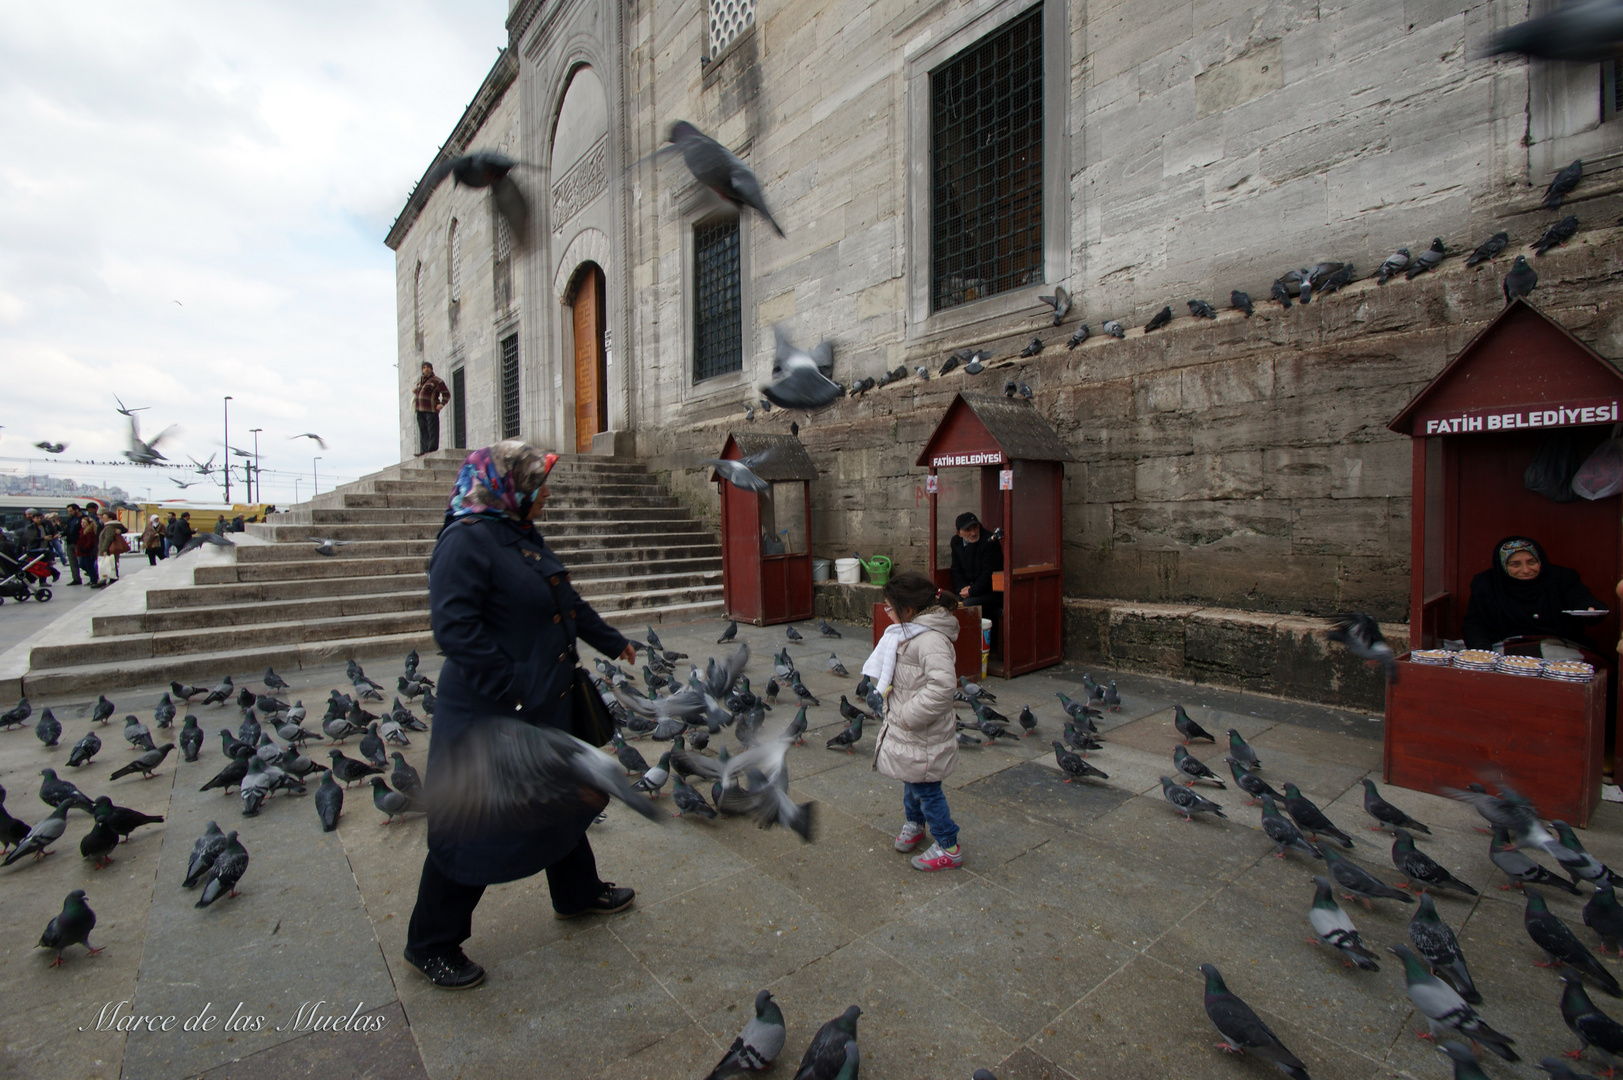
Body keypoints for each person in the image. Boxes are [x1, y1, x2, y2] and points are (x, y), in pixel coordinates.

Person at [403, 440, 639, 990]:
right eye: (539, 485)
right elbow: (455, 630)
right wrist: (510, 694)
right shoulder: (464, 542)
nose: (547, 494)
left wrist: (610, 640)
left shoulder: (517, 534)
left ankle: (576, 893)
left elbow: (565, 601)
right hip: (492, 714)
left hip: (539, 701)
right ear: (509, 485)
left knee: (560, 799)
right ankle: (430, 942)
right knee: (473, 825)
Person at [866, 570, 965, 872]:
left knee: (926, 788)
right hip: (908, 728)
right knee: (911, 780)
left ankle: (948, 844)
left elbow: (943, 687)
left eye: (889, 607)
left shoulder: (930, 640)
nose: (886, 612)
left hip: (921, 729)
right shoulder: (908, 633)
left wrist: (907, 715)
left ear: (908, 610)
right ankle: (915, 823)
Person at [1461, 536, 1607, 650]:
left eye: (1531, 562)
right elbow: (1475, 624)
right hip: (1506, 647)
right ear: (1502, 567)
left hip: (1561, 646)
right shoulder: (1487, 584)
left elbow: (1582, 601)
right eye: (1515, 564)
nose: (1525, 570)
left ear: (1541, 560)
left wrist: (1590, 610)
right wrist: (1482, 652)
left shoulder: (1562, 579)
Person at [949, 512, 1003, 612]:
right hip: (967, 589)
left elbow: (988, 573)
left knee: (968, 604)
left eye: (975, 528)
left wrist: (972, 591)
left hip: (988, 591)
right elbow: (956, 569)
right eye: (968, 530)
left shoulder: (989, 541)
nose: (973, 533)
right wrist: (963, 588)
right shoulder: (956, 542)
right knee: (950, 602)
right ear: (959, 533)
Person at [413, 361, 452, 455]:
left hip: (431, 409)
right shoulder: (420, 382)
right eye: (424, 367)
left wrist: (442, 404)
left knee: (432, 430)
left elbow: (446, 394)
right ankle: (424, 450)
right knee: (423, 430)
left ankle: (432, 450)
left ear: (431, 369)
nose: (426, 369)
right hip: (420, 409)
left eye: (428, 367)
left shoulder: (437, 381)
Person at [95, 510, 127, 587]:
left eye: (104, 518)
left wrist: (104, 549)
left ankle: (109, 579)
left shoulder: (109, 527)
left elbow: (108, 538)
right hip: (111, 549)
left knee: (107, 564)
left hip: (108, 549)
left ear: (110, 518)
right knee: (111, 563)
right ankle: (108, 578)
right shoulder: (113, 525)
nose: (103, 519)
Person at [72, 506, 99, 587]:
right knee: (82, 564)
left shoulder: (89, 531)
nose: (82, 524)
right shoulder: (82, 530)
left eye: (84, 523)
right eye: (82, 523)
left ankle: (93, 579)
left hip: (87, 551)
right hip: (82, 550)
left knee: (88, 565)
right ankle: (92, 577)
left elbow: (90, 541)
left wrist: (84, 548)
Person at [63, 504, 86, 585]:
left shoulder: (84, 518)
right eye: (68, 511)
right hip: (70, 542)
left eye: (71, 511)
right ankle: (76, 578)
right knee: (72, 562)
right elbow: (67, 530)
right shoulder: (70, 520)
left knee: (82, 562)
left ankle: (92, 576)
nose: (69, 513)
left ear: (76, 510)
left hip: (79, 543)